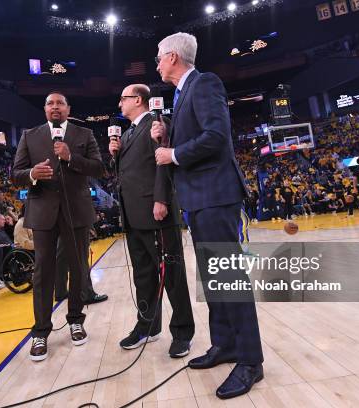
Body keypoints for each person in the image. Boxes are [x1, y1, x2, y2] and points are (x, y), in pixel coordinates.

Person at [151, 32, 264, 399]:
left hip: (216, 195)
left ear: (172, 57)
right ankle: (225, 344)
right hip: (199, 198)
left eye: (158, 57)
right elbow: (198, 134)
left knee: (229, 279)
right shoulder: (181, 94)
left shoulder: (204, 82)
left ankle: (250, 361)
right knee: (214, 279)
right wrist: (167, 137)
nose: (156, 62)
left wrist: (174, 154)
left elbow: (216, 136)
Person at [12, 91, 105, 361]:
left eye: (60, 103)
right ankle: (40, 331)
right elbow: (15, 175)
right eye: (50, 103)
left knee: (77, 268)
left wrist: (70, 157)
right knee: (43, 272)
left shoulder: (83, 135)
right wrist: (31, 174)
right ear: (45, 109)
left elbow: (99, 168)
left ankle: (76, 318)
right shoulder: (30, 136)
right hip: (42, 212)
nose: (55, 107)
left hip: (75, 211)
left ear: (68, 108)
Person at [110, 83, 194, 356]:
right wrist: (115, 154)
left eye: (123, 98)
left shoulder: (158, 123)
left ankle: (182, 332)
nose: (120, 103)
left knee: (172, 275)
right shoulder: (128, 133)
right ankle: (147, 326)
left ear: (137, 100)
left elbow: (163, 162)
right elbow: (126, 172)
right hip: (132, 214)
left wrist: (161, 199)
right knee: (143, 275)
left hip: (156, 211)